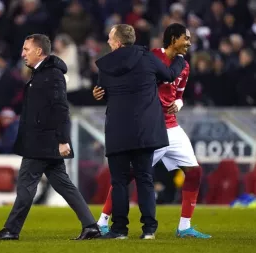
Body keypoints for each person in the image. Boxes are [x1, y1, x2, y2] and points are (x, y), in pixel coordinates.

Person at [94, 23, 211, 239]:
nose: (189, 42)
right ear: (174, 38)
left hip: (171, 126)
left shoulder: (184, 65)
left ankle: (184, 226)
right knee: (129, 175)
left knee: (194, 172)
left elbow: (179, 94)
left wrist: (179, 104)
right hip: (151, 126)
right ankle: (102, 221)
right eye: (186, 38)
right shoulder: (151, 56)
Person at [0, 34, 100, 240]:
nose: (22, 54)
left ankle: (11, 230)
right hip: (44, 140)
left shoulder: (51, 75)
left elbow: (61, 109)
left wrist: (63, 140)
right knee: (64, 185)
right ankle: (91, 226)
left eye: (26, 49)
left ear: (39, 51)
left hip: (42, 142)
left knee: (26, 185)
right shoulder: (42, 73)